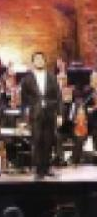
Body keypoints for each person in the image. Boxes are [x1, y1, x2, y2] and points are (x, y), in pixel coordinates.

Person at [20, 52, 62, 180]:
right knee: (37, 141)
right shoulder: (27, 79)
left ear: (44, 61)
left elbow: (58, 96)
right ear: (33, 62)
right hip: (35, 114)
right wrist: (24, 118)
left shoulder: (52, 77)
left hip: (49, 113)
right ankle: (39, 170)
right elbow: (24, 101)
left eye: (41, 59)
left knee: (49, 141)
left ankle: (47, 168)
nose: (39, 61)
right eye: (37, 59)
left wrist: (60, 114)